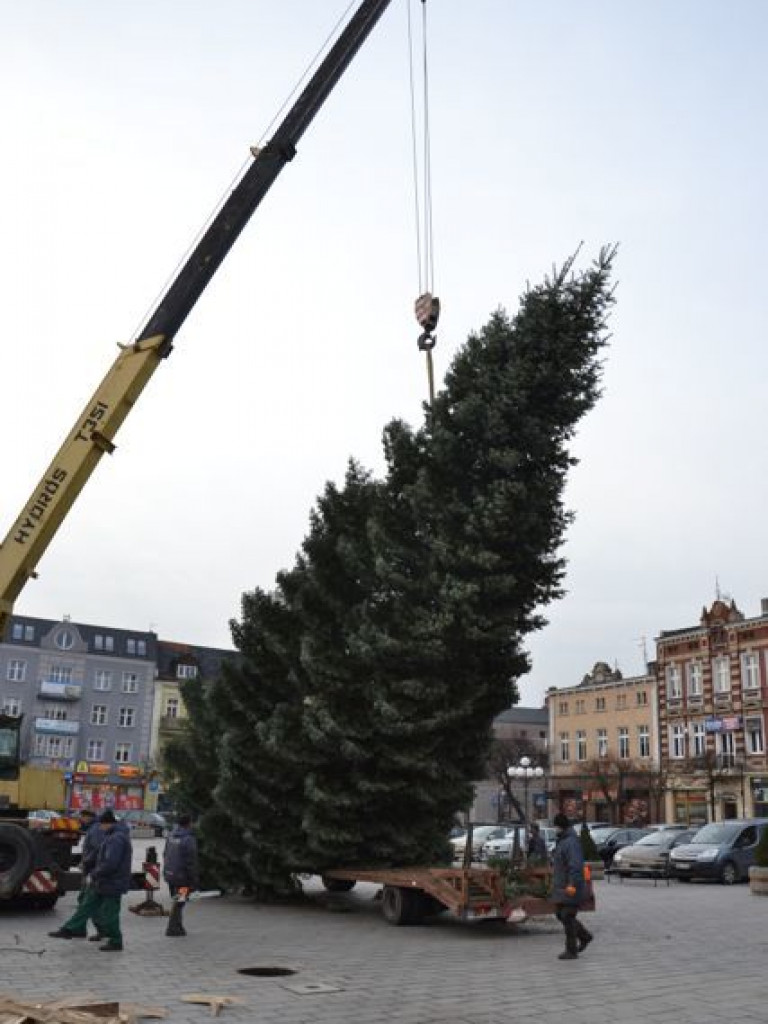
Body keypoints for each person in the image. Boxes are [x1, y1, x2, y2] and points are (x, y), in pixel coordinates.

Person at [551, 811, 593, 961]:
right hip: (562, 887)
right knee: (560, 914)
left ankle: (571, 950)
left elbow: (575, 866)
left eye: (555, 826)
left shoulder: (571, 842)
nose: (554, 829)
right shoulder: (563, 840)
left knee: (567, 916)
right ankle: (584, 936)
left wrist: (572, 884)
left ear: (560, 826)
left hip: (571, 887)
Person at [163, 814, 199, 937]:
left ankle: (178, 926)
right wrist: (193, 879)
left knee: (177, 900)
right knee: (179, 902)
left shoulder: (171, 836)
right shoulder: (188, 839)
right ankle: (172, 928)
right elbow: (191, 861)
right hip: (182, 878)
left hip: (171, 875)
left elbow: (165, 854)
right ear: (189, 823)